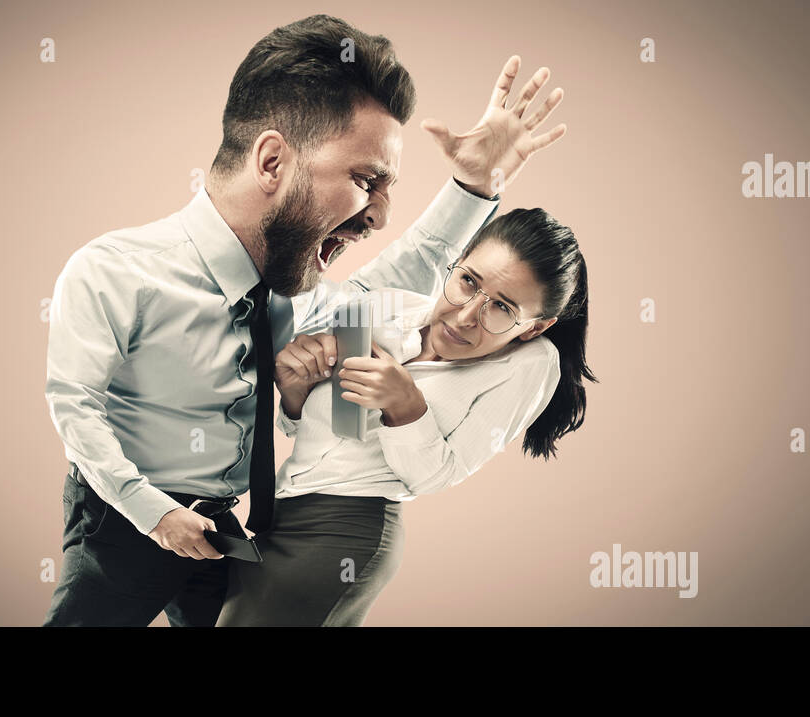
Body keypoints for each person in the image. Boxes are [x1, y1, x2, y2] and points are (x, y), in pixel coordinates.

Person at [42, 13, 568, 626]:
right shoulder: (115, 270)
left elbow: (388, 286)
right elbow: (75, 404)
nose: (378, 217)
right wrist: (153, 512)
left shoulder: (290, 295)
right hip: (123, 518)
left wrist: (473, 187)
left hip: (221, 525)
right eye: (365, 181)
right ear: (271, 162)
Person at [216, 207, 596, 626]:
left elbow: (436, 475)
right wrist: (293, 388)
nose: (467, 316)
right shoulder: (382, 308)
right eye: (468, 281)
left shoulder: (530, 363)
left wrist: (406, 405)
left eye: (502, 308)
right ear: (456, 263)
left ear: (535, 328)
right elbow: (324, 432)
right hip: (282, 514)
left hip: (348, 530)